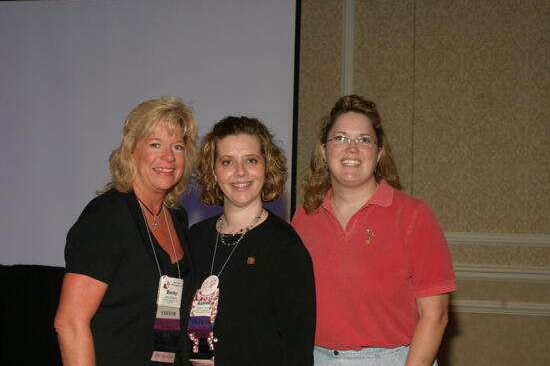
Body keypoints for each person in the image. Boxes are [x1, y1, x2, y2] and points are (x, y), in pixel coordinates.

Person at [292, 95, 456, 366]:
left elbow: (435, 316)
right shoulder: (304, 216)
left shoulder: (413, 215)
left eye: (364, 140)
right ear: (323, 150)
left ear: (379, 153)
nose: (352, 149)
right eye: (341, 138)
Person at [54, 96, 198, 366]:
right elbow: (70, 323)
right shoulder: (107, 217)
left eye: (177, 146)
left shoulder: (176, 218)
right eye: (155, 144)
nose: (168, 156)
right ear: (132, 150)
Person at [187, 116, 315, 366]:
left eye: (251, 160)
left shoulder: (285, 247)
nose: (240, 172)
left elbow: (298, 351)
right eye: (227, 162)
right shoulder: (195, 239)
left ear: (266, 166)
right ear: (213, 171)